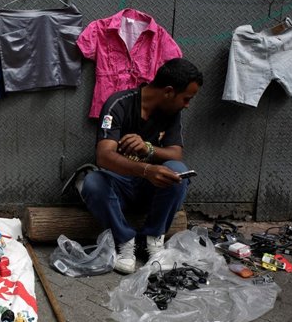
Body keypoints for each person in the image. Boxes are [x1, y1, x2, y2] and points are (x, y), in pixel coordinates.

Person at [80, 58, 203, 274]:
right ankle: (125, 242)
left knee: (179, 170)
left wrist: (149, 149)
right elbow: (104, 156)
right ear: (168, 91)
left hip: (152, 190)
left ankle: (154, 239)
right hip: (120, 187)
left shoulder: (172, 112)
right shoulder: (119, 103)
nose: (187, 105)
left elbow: (176, 153)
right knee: (92, 182)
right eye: (186, 98)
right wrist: (146, 170)